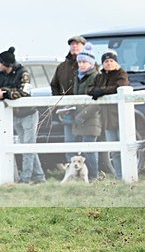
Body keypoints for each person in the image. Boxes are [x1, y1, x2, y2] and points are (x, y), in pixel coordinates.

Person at [0, 46, 45, 184]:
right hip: (15, 115)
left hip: (28, 114)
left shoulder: (23, 73)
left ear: (6, 64)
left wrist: (4, 93)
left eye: (0, 62)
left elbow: (24, 92)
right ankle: (39, 176)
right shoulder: (0, 74)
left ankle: (25, 178)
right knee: (25, 145)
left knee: (27, 147)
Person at [88, 50, 129, 180]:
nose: (109, 63)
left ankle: (128, 175)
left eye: (111, 61)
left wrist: (101, 91)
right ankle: (119, 176)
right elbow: (89, 89)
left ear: (116, 62)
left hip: (120, 116)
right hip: (107, 118)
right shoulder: (99, 76)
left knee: (125, 148)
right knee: (114, 150)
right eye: (106, 61)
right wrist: (95, 91)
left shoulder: (121, 73)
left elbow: (120, 87)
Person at [50, 35, 86, 162]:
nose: (74, 46)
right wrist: (60, 103)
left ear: (83, 46)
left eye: (77, 44)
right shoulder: (62, 67)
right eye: (72, 44)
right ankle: (71, 171)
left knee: (85, 143)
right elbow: (54, 85)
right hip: (67, 110)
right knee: (69, 141)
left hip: (84, 111)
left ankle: (87, 173)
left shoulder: (90, 65)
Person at [72, 43, 102, 179]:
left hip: (91, 118)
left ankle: (93, 176)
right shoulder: (77, 77)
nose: (82, 64)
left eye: (84, 62)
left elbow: (97, 102)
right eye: (80, 62)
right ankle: (86, 176)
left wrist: (82, 115)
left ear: (91, 63)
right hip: (79, 117)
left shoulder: (96, 76)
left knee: (89, 150)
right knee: (83, 150)